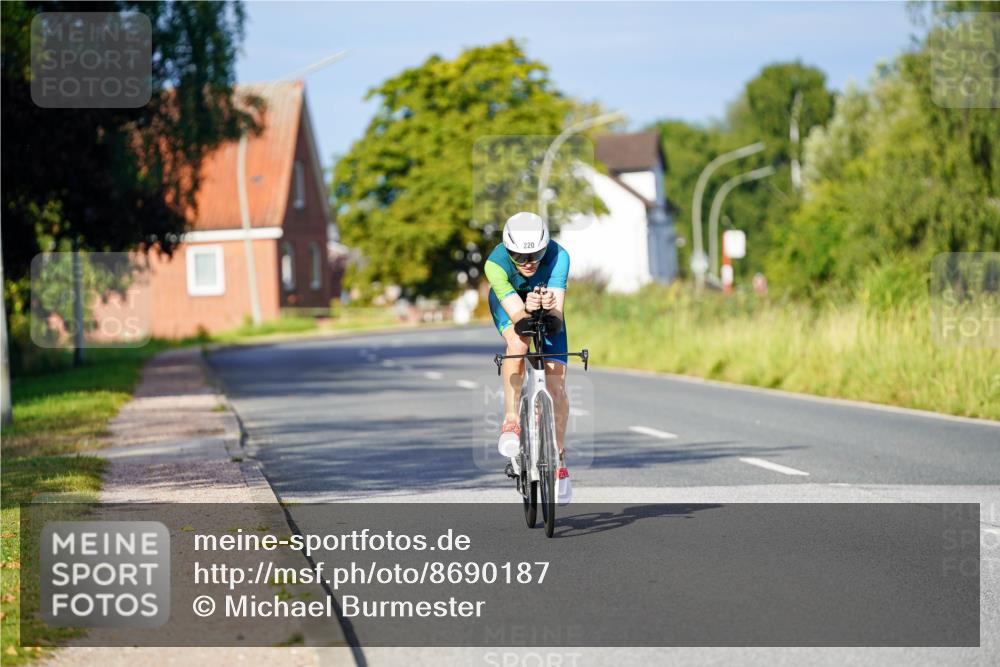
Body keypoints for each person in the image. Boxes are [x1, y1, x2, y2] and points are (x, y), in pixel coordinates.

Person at [484, 211, 572, 504]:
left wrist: (547, 307)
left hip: (545, 306)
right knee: (519, 343)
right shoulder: (495, 265)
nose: (528, 262)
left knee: (557, 382)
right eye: (519, 256)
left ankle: (559, 456)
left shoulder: (560, 257)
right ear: (508, 252)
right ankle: (511, 419)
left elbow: (556, 318)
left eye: (535, 254)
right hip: (509, 304)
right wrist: (528, 307)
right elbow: (519, 318)